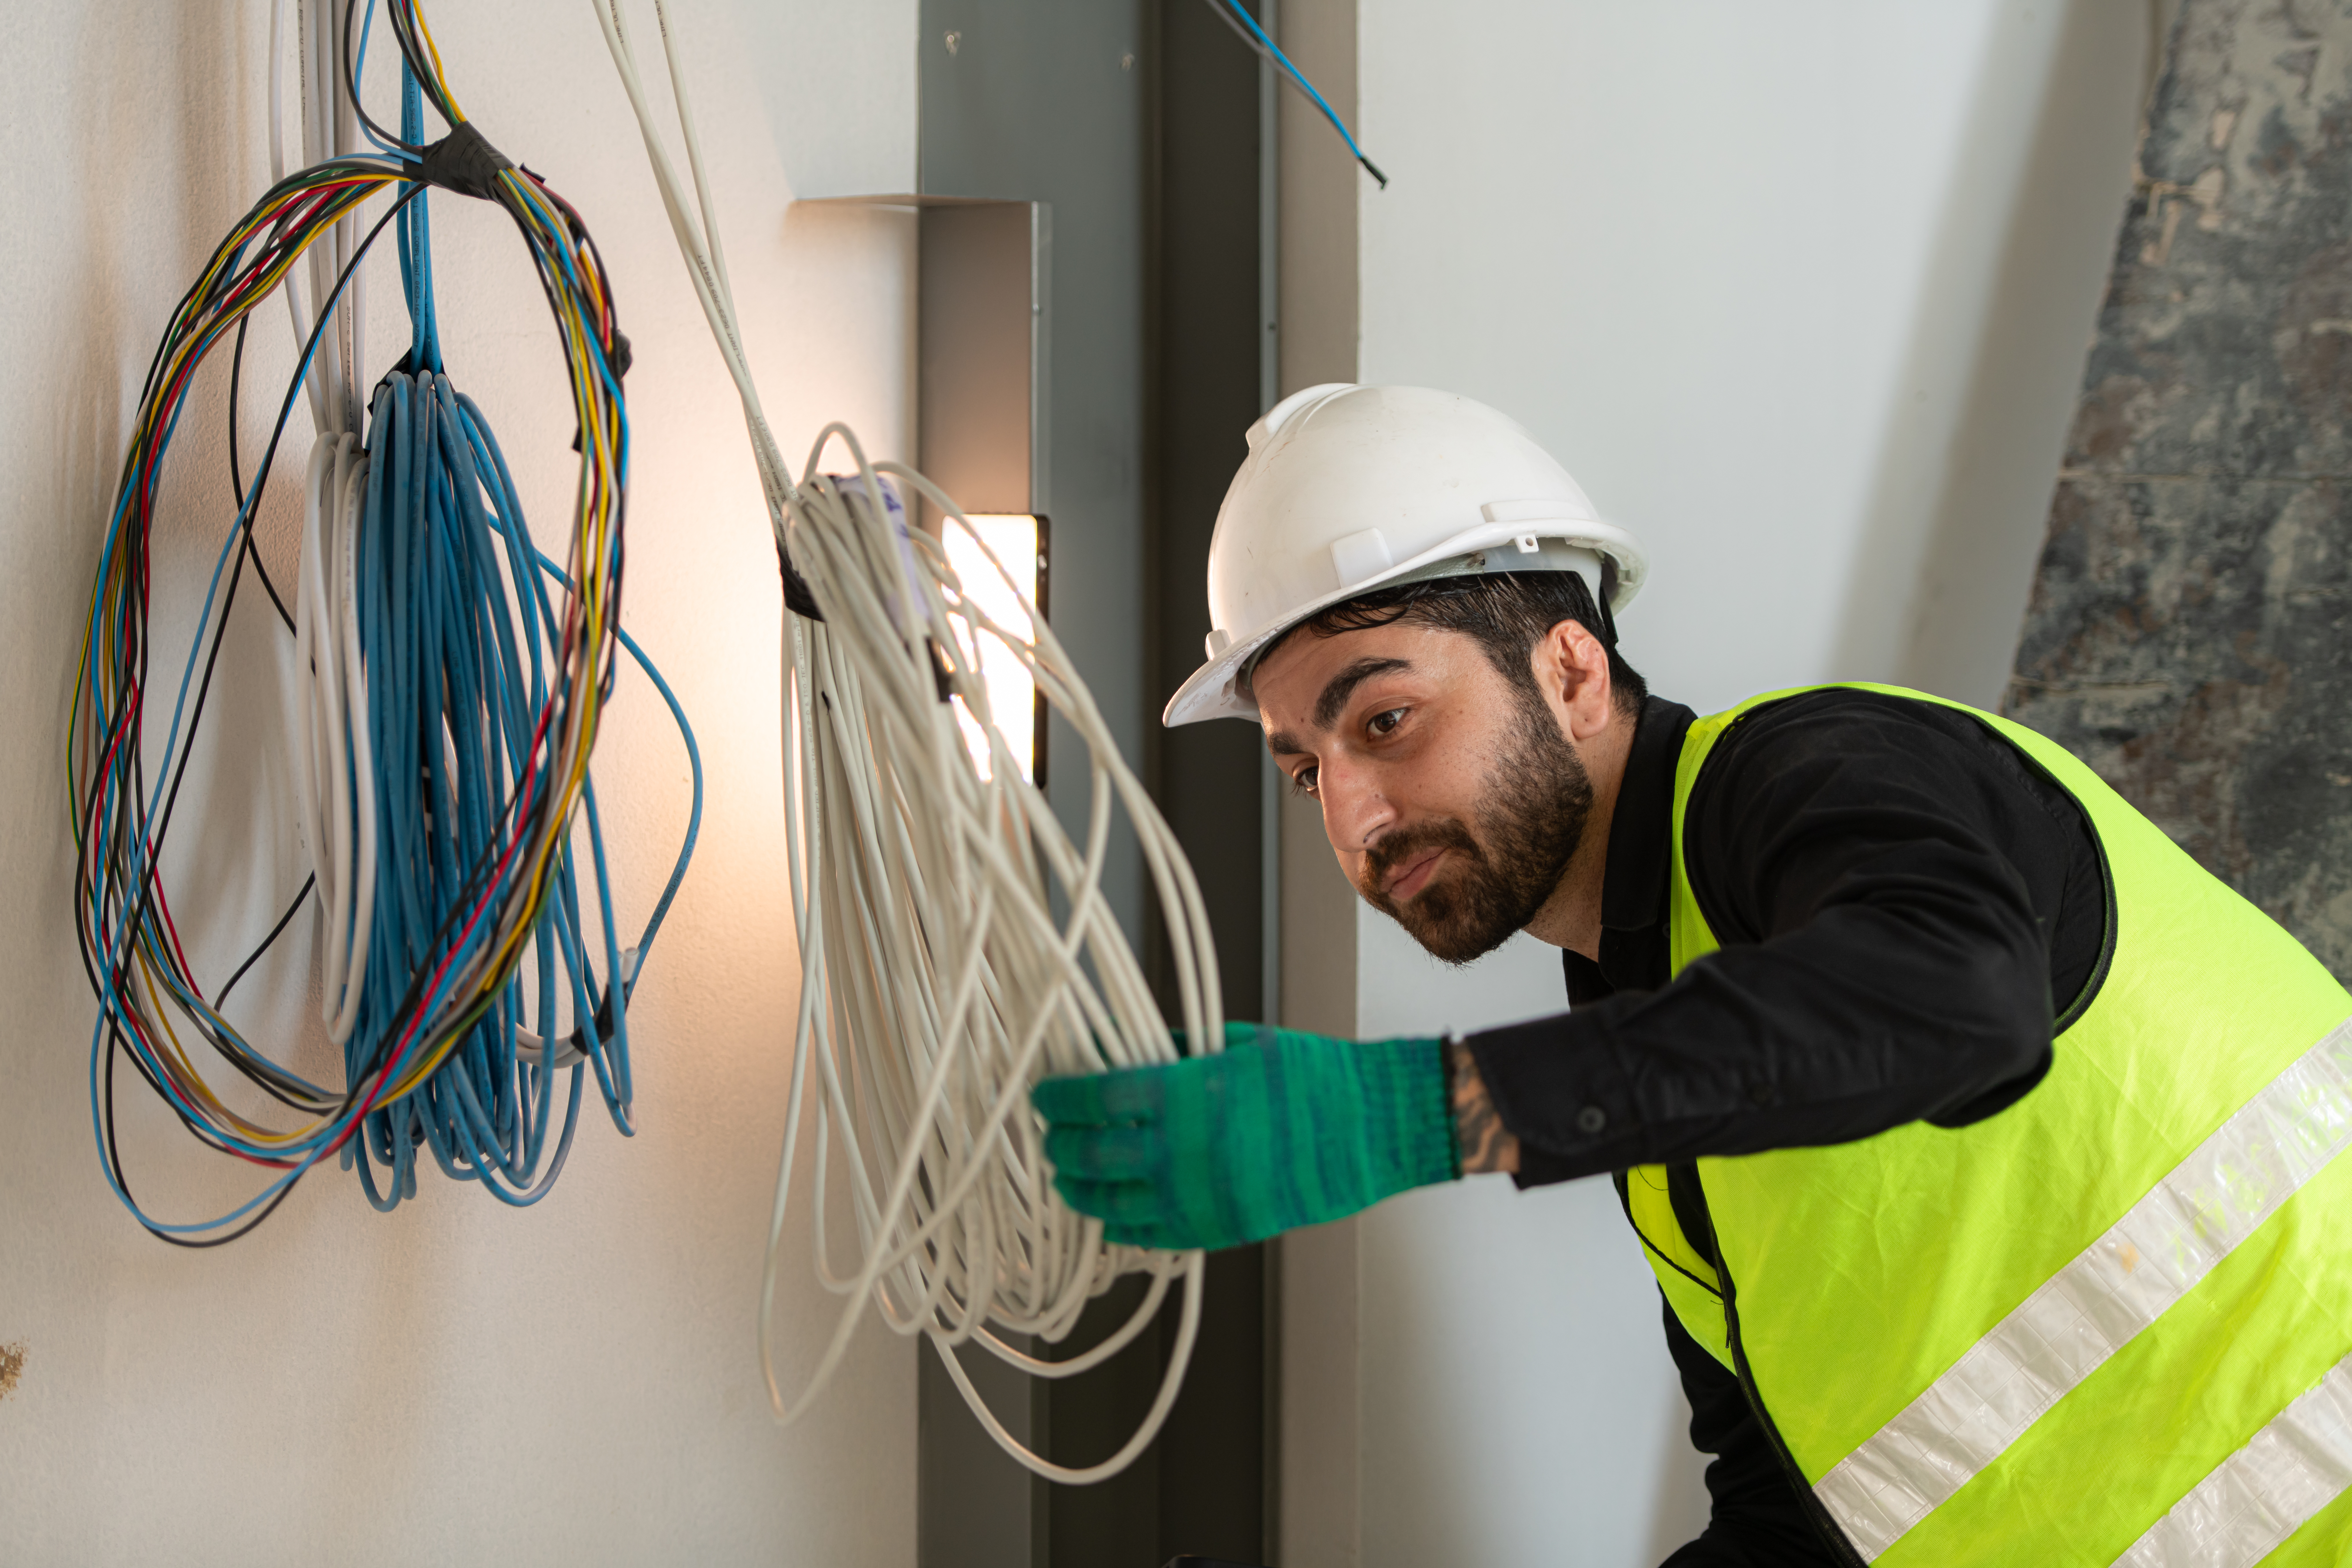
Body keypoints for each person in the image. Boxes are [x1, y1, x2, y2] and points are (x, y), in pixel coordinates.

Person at [1030, 385, 2352, 1566]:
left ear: (1569, 670)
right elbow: (1791, 1518)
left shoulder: (1813, 775)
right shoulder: (1653, 1050)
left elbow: (1959, 1003)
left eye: (1387, 721)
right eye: (1307, 769)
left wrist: (1421, 1112)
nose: (1355, 819)